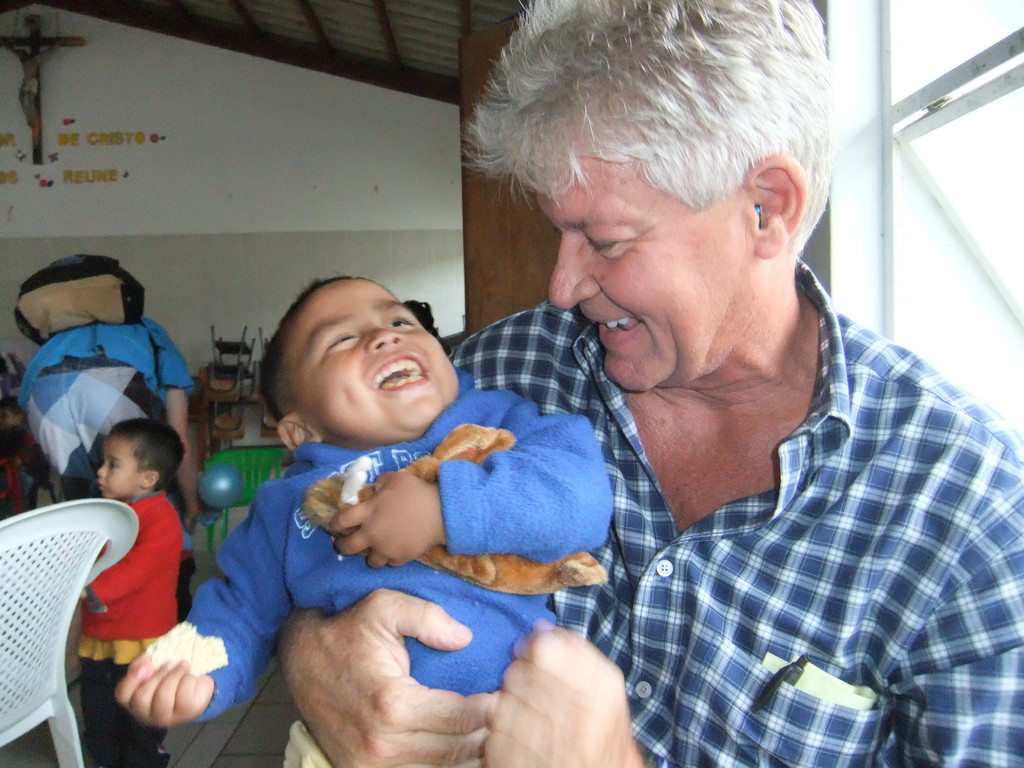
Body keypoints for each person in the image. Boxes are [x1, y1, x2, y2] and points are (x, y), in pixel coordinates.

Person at [272, 1, 1024, 766]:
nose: (561, 286)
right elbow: (313, 527)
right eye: (556, 234)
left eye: (606, 240)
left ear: (767, 208)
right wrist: (313, 656)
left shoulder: (970, 515)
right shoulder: (501, 372)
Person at [115, 277, 612, 737]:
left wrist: (444, 508)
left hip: (522, 726)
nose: (384, 337)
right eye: (341, 340)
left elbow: (581, 497)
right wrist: (194, 665)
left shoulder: (500, 424)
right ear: (299, 429)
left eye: (400, 321)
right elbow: (241, 608)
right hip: (354, 740)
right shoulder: (288, 504)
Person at [18, 312, 201, 619]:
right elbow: (178, 440)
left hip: (43, 393)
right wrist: (192, 506)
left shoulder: (60, 337)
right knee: (146, 493)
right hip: (116, 381)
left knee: (89, 522)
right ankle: (165, 608)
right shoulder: (150, 332)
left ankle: (89, 629)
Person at [79, 417, 184, 768]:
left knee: (141, 713)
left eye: (113, 464)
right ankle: (105, 758)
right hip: (101, 632)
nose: (101, 471)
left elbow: (139, 568)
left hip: (141, 634)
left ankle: (147, 760)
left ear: (148, 478)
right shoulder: (114, 512)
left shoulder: (160, 517)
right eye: (103, 462)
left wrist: (91, 588)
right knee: (98, 710)